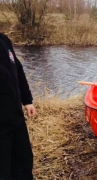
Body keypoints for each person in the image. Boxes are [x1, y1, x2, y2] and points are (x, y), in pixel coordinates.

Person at [0, 32, 36, 179]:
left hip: (16, 119)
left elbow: (17, 69)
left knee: (24, 161)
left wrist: (27, 100)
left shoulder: (3, 39)